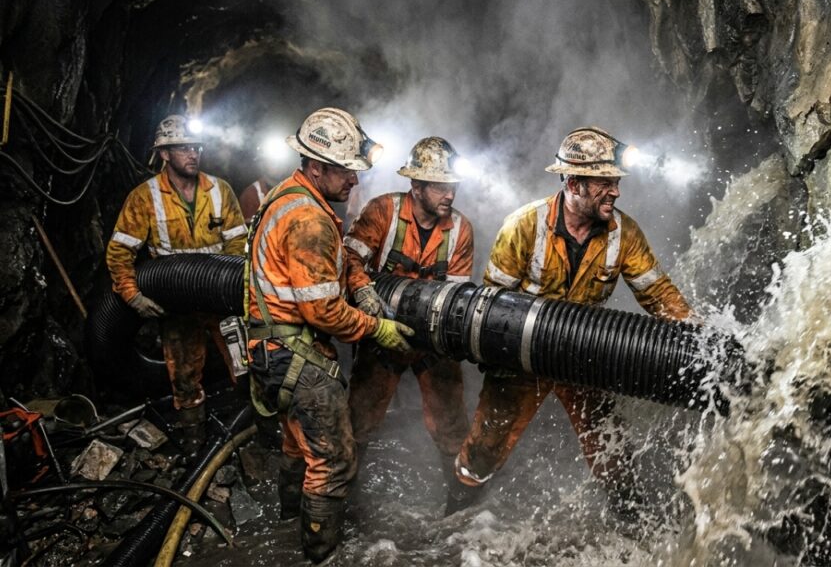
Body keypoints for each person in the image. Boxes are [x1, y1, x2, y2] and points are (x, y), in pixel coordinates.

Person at [447, 126, 693, 516]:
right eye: (605, 183)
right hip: (523, 358)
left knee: (610, 446)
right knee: (487, 444)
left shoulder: (622, 233)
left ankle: (629, 519)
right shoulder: (524, 226)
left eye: (615, 182)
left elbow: (658, 294)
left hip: (583, 354)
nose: (615, 191)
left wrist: (696, 338)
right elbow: (490, 307)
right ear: (575, 183)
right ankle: (455, 516)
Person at [244, 107, 415, 562]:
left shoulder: (289, 197)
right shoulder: (310, 220)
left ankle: (286, 530)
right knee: (334, 459)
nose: (355, 183)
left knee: (297, 444)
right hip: (297, 353)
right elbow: (323, 312)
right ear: (316, 166)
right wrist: (378, 327)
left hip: (270, 348)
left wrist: (362, 288)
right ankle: (320, 553)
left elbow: (334, 268)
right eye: (346, 173)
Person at [106, 114, 247, 450]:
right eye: (183, 148)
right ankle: (195, 443)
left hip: (220, 300)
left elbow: (238, 244)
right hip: (177, 304)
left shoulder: (220, 190)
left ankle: (250, 433)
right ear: (165, 154)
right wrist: (133, 295)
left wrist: (222, 284)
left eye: (195, 147)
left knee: (246, 365)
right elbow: (119, 252)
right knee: (184, 375)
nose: (193, 154)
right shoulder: (145, 197)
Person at [343, 137, 474, 494]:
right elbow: (349, 259)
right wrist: (363, 290)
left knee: (451, 422)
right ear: (416, 186)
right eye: (440, 186)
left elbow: (457, 294)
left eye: (453, 186)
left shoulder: (461, 229)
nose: (450, 194)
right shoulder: (383, 212)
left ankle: (461, 501)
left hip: (432, 340)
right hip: (382, 333)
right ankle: (346, 499)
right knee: (360, 418)